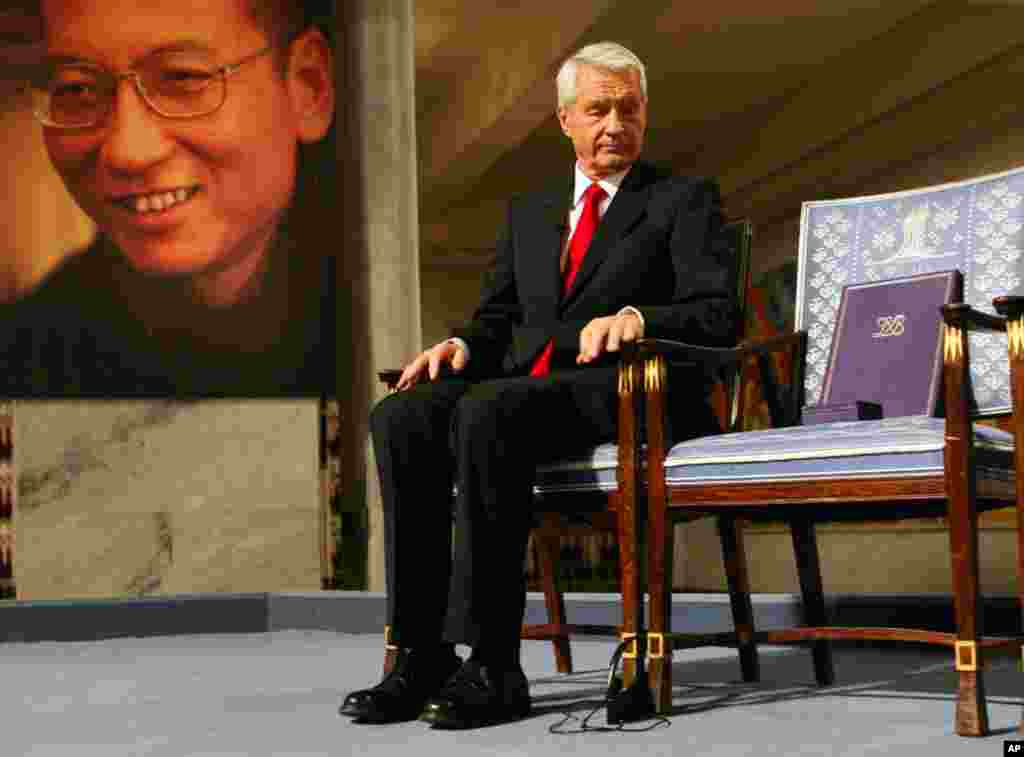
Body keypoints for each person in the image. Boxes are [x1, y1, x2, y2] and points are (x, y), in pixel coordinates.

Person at [339, 41, 735, 729]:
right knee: (401, 415)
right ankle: (419, 653)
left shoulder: (681, 199)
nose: (615, 124)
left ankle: (493, 663)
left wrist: (638, 318)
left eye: (629, 108)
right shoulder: (531, 209)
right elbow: (496, 318)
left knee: (490, 409)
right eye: (598, 109)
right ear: (565, 120)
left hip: (630, 391)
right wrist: (459, 344)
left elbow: (718, 312)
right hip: (533, 392)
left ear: (644, 115)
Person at [0, 0, 336, 397]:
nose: (127, 151)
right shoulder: (25, 365)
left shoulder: (399, 322)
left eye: (182, 79)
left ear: (307, 85)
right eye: (77, 88)